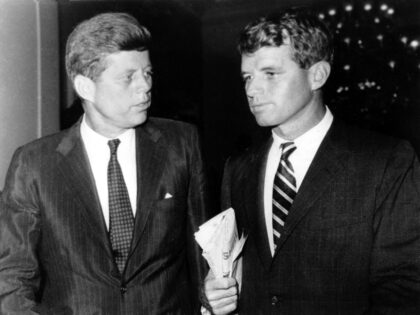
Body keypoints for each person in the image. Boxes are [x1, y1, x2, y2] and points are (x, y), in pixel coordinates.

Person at [203, 8, 420, 315]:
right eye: (247, 77)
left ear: (317, 75)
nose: (252, 89)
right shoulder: (238, 169)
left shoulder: (386, 162)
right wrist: (213, 294)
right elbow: (232, 271)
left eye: (270, 74)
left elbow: (403, 288)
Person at [0, 12, 209, 314]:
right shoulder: (33, 164)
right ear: (85, 87)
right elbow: (12, 278)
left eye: (147, 73)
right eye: (128, 77)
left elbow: (205, 253)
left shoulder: (181, 143)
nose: (145, 86)